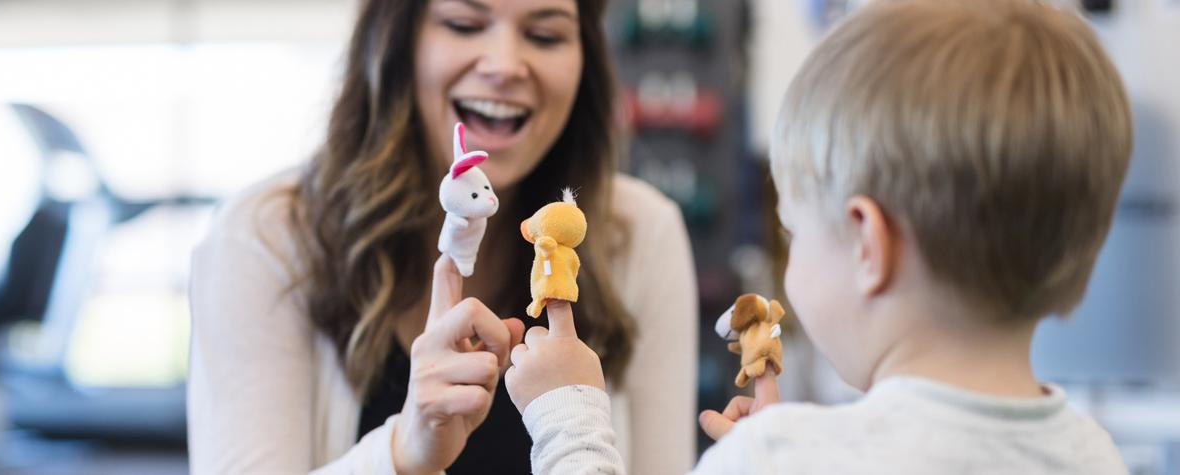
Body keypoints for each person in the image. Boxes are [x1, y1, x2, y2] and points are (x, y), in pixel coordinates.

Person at [504, 0, 1133, 473]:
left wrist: (571, 418)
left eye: (793, 232)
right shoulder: (1096, 455)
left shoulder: (780, 458)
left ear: (868, 246)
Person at [187, 0, 698, 473]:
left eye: (544, 35)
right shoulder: (262, 238)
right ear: (397, 41)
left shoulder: (640, 235)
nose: (504, 65)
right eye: (463, 24)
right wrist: (404, 452)